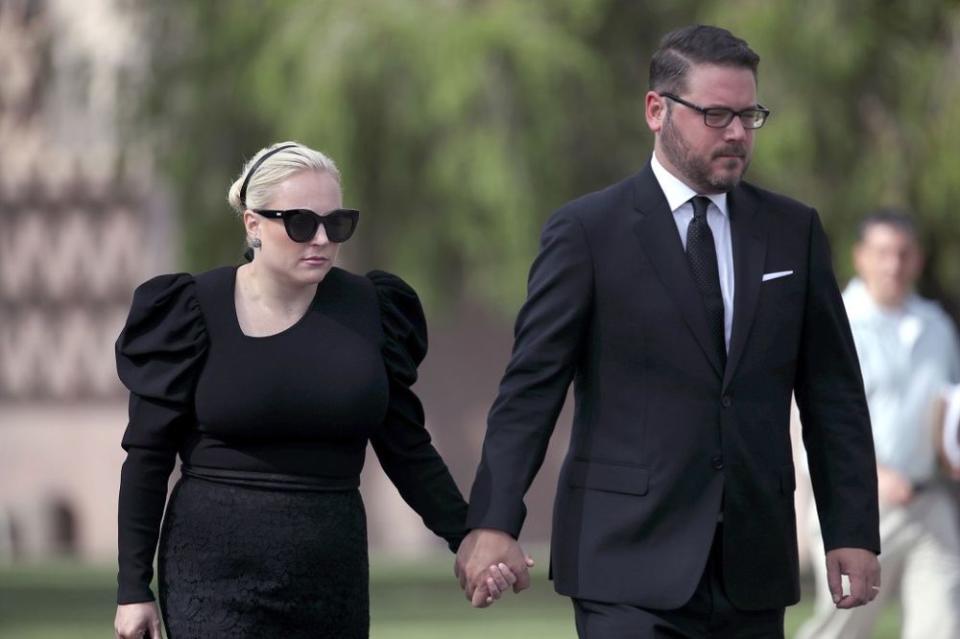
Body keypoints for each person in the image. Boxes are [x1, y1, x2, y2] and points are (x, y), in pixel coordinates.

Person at [455, 25, 881, 638]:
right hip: (623, 566)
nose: (736, 132)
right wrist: (493, 521)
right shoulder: (587, 232)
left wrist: (851, 531)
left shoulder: (794, 232)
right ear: (657, 110)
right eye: (715, 114)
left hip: (753, 567)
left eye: (748, 115)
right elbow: (531, 390)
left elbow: (833, 396)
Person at [112, 141, 517, 639]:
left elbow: (406, 447)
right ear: (253, 224)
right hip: (212, 575)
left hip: (331, 575)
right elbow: (147, 457)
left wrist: (468, 537)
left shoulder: (372, 309)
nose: (322, 239)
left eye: (337, 223)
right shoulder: (191, 310)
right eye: (301, 223)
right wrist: (133, 588)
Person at [797, 211, 960, 639]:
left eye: (904, 253)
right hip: (858, 503)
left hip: (928, 502)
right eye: (883, 252)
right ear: (860, 257)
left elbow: (947, 407)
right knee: (845, 625)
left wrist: (949, 455)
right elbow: (812, 414)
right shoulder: (837, 320)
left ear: (918, 260)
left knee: (943, 621)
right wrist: (876, 474)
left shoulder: (937, 326)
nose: (894, 264)